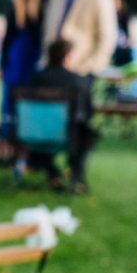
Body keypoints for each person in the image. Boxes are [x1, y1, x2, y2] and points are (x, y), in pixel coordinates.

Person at [23, 38, 96, 194]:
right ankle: (77, 177)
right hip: (67, 135)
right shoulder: (79, 80)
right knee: (86, 134)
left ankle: (53, 173)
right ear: (67, 56)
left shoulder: (35, 78)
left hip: (32, 135)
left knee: (44, 135)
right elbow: (88, 112)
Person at [0, 0, 45, 159]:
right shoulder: (14, 4)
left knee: (31, 102)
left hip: (34, 59)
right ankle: (6, 148)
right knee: (10, 102)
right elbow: (8, 37)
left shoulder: (45, 4)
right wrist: (3, 64)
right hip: (16, 59)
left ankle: (28, 150)